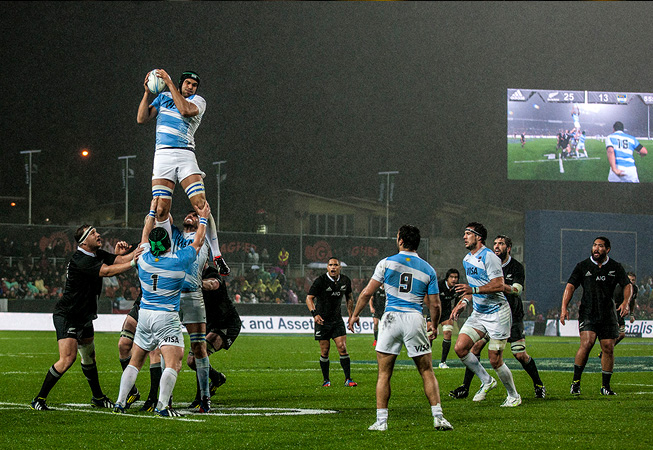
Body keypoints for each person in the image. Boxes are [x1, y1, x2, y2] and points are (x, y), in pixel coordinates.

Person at [348, 225, 452, 431]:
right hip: (414, 318)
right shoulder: (428, 269)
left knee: (384, 373)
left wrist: (354, 315)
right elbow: (436, 304)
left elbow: (367, 293)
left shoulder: (386, 263)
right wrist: (434, 324)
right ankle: (438, 417)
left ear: (401, 241)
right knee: (427, 371)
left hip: (391, 318)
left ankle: (381, 421)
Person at [113, 199, 210, 416]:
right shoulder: (177, 262)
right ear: (169, 244)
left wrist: (150, 212)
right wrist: (203, 218)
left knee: (135, 361)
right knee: (173, 363)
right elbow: (198, 242)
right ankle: (163, 405)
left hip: (145, 315)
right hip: (166, 316)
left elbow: (145, 235)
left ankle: (120, 403)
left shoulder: (144, 259)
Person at [31, 226, 142, 411]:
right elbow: (107, 271)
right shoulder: (80, 260)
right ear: (83, 241)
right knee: (67, 359)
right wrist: (133, 263)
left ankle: (98, 397)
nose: (98, 235)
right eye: (93, 233)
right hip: (69, 315)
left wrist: (138, 247)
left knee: (89, 358)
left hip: (84, 315)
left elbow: (120, 259)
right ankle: (39, 399)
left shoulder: (96, 254)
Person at [137, 68, 230, 275]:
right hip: (162, 156)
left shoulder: (199, 101)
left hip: (185, 154)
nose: (190, 87)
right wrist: (146, 93)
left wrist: (170, 83)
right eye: (187, 83)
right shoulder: (162, 98)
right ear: (182, 83)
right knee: (161, 210)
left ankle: (217, 255)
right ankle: (166, 252)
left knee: (200, 204)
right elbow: (142, 119)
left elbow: (185, 111)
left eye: (194, 85)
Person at [449, 235, 545, 400]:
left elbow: (517, 290)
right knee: (474, 347)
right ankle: (468, 386)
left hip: (510, 315)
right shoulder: (486, 262)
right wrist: (464, 301)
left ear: (508, 248)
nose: (496, 246)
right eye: (495, 243)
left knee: (519, 354)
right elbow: (477, 288)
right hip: (487, 314)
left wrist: (499, 286)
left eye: (501, 244)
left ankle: (538, 385)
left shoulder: (516, 267)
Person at [450, 222, 521, 407]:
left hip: (498, 313)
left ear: (478, 237)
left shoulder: (489, 257)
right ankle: (487, 380)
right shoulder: (467, 259)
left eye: (468, 233)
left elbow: (498, 284)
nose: (464, 237)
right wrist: (463, 302)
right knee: (460, 348)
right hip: (479, 313)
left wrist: (471, 290)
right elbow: (471, 288)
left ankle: (514, 395)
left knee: (494, 359)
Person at [560, 237, 632, 396]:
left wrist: (626, 302)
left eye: (600, 246)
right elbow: (570, 286)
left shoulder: (615, 267)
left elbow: (627, 285)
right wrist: (564, 307)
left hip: (608, 314)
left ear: (608, 249)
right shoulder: (582, 266)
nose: (596, 248)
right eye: (594, 245)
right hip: (588, 313)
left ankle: (605, 387)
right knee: (587, 343)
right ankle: (576, 383)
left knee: (608, 347)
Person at [187, 264, 242, 407]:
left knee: (200, 354)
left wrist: (191, 282)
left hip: (226, 324)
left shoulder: (210, 272)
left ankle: (201, 397)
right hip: (208, 323)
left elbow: (213, 284)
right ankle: (216, 378)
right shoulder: (189, 272)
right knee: (191, 361)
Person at [306, 257, 357, 387]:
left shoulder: (345, 280)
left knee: (342, 348)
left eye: (335, 265)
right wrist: (314, 314)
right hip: (322, 320)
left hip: (337, 320)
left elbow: (349, 298)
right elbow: (309, 298)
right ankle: (326, 380)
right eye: (330, 265)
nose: (333, 267)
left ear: (340, 267)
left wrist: (351, 316)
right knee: (325, 351)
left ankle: (348, 379)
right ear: (327, 267)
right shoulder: (320, 281)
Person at [117, 294, 163, 412]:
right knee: (123, 344)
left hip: (160, 306)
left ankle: (152, 399)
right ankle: (132, 391)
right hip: (141, 303)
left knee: (154, 351)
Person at [599, 272, 639, 358]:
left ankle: (605, 350)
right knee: (616, 335)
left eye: (633, 280)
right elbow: (613, 304)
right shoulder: (619, 289)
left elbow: (632, 302)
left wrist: (632, 314)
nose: (631, 282)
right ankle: (605, 350)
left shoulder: (635, 289)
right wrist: (614, 319)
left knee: (621, 335)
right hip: (613, 312)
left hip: (620, 313)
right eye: (629, 280)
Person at [431, 269, 460, 369]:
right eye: (451, 277)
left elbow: (458, 301)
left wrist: (455, 311)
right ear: (447, 278)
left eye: (456, 277)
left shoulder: (457, 288)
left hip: (446, 313)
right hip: (434, 311)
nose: (454, 279)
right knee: (429, 335)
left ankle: (443, 362)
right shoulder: (438, 285)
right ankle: (426, 361)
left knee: (448, 332)